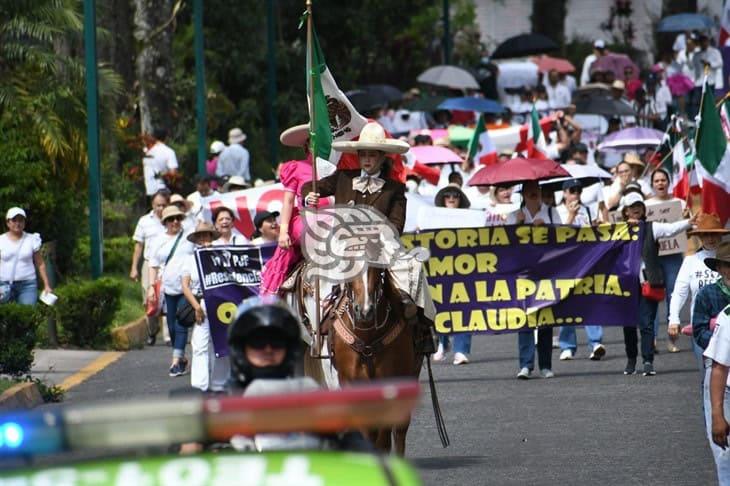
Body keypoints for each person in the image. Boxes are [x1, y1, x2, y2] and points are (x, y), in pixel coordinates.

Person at [303, 122, 436, 358]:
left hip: (380, 244)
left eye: (372, 154)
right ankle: (317, 330)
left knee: (414, 266)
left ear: (382, 157)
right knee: (316, 276)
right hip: (343, 244)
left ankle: (423, 328)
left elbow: (396, 225)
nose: (366, 159)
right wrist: (309, 196)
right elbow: (309, 187)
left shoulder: (395, 188)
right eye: (363, 154)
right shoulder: (343, 177)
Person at [620, 189, 694, 376]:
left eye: (638, 206)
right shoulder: (618, 230)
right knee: (628, 324)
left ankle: (647, 361)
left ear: (643, 209)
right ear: (625, 212)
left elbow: (671, 229)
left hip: (649, 283)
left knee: (646, 323)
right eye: (631, 207)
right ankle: (631, 359)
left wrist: (689, 222)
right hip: (625, 286)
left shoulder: (652, 227)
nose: (635, 209)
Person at [505, 181, 559, 379]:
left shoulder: (552, 213)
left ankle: (546, 365)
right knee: (525, 319)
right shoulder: (513, 216)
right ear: (523, 194)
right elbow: (504, 245)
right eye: (528, 190)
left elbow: (566, 240)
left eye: (535, 189)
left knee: (545, 319)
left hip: (547, 273)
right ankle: (526, 364)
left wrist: (549, 229)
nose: (532, 193)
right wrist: (518, 226)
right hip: (523, 274)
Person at [261, 124, 318, 295]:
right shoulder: (297, 168)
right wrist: (284, 231)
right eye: (314, 141)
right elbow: (288, 201)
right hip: (306, 219)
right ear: (306, 146)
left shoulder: (335, 169)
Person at [669, 213, 729, 370]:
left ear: (721, 235)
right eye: (706, 235)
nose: (710, 238)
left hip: (728, 324)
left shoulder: (727, 259)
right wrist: (673, 318)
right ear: (700, 237)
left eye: (714, 234)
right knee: (707, 373)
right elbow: (680, 292)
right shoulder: (691, 261)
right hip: (702, 326)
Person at [182, 221, 230, 392]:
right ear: (196, 239)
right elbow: (185, 286)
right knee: (200, 345)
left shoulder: (222, 255)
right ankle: (200, 386)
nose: (204, 239)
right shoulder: (190, 259)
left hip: (220, 303)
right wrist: (196, 307)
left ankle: (219, 384)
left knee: (221, 343)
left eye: (207, 235)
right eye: (200, 236)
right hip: (201, 302)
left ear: (212, 237)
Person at [149, 205, 194, 377]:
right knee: (171, 326)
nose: (175, 222)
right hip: (168, 289)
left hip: (187, 288)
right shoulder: (158, 240)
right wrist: (151, 288)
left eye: (178, 218)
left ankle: (176, 361)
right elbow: (152, 265)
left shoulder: (189, 237)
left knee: (181, 323)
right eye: (171, 219)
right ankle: (181, 357)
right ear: (165, 222)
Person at [645, 168, 686, 353]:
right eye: (657, 180)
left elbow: (688, 230)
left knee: (672, 295)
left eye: (663, 180)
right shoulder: (645, 206)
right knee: (652, 296)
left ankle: (672, 339)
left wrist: (686, 217)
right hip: (652, 258)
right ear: (652, 184)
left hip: (673, 258)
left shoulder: (680, 203)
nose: (660, 183)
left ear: (668, 182)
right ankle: (651, 338)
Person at [432, 183, 472, 365]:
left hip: (464, 270)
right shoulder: (433, 218)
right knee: (441, 309)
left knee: (463, 311)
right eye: (447, 195)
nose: (451, 198)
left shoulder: (468, 218)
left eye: (455, 195)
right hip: (441, 270)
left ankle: (461, 350)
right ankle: (443, 342)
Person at [130, 190, 170, 345]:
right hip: (148, 264)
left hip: (166, 264)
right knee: (149, 299)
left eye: (163, 205)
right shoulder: (144, 221)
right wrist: (134, 267)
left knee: (167, 298)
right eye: (157, 205)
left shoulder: (172, 221)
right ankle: (152, 331)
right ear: (152, 205)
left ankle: (168, 336)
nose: (160, 208)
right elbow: (138, 246)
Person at [0, 207, 52, 305]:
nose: (17, 223)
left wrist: (46, 285)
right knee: (5, 316)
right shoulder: (1, 240)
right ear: (8, 223)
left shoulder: (32, 239)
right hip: (4, 285)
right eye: (14, 220)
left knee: (27, 313)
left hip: (27, 284)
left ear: (24, 222)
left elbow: (40, 263)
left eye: (21, 220)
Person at [703, 302, 730, 484]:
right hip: (727, 392)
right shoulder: (728, 316)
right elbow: (719, 367)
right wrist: (717, 414)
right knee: (726, 457)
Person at [693, 242, 730, 365]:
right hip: (716, 357)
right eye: (727, 265)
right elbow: (699, 331)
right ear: (718, 268)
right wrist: (722, 343)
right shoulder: (706, 294)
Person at [142, 128, 179, 197]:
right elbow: (173, 173)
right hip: (162, 188)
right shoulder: (169, 152)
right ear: (166, 137)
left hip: (148, 189)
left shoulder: (146, 151)